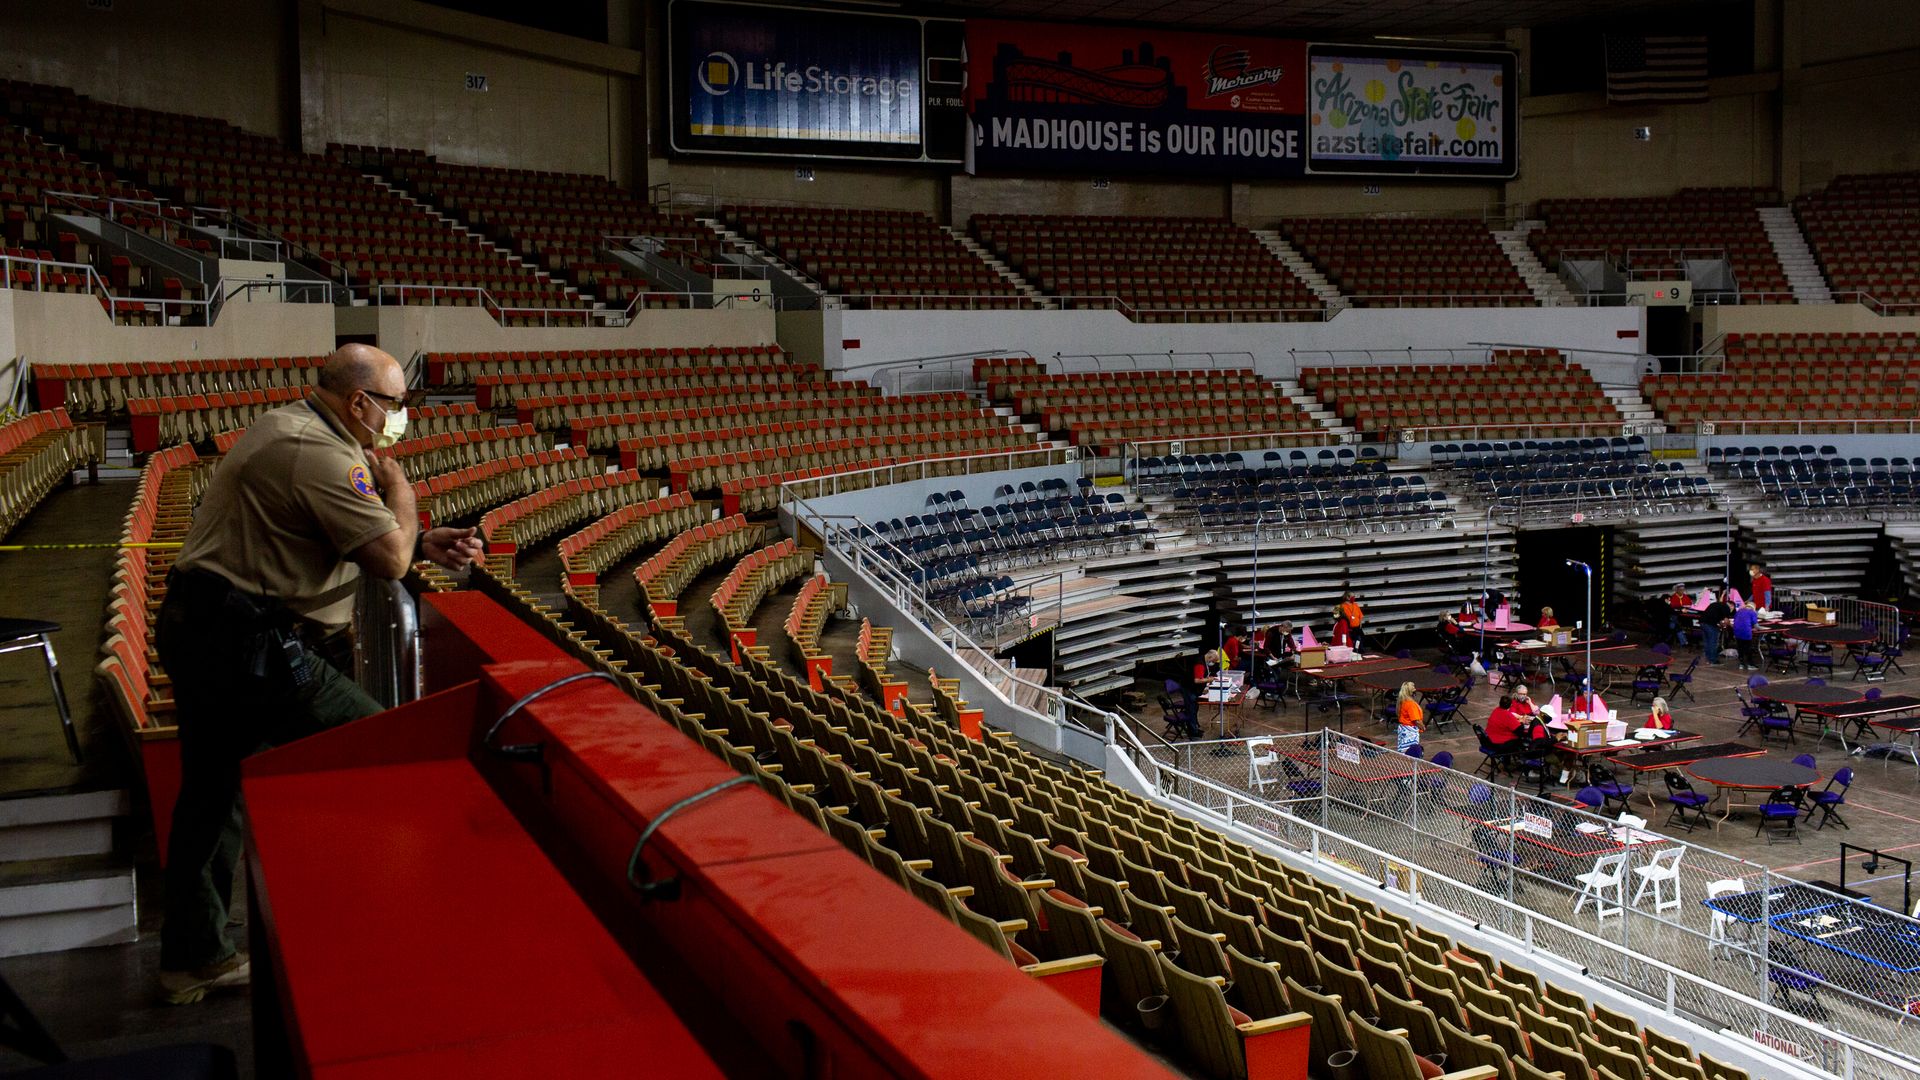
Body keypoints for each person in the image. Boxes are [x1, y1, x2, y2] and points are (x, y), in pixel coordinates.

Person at [155, 345, 486, 1005]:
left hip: (212, 629)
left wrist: (421, 537)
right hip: (247, 643)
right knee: (384, 751)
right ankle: (381, 931)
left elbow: (331, 529)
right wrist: (404, 500)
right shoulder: (322, 453)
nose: (401, 419)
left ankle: (195, 957)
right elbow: (389, 562)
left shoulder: (296, 428)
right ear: (359, 402)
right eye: (394, 405)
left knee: (213, 794)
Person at [1700, 589, 1732, 665]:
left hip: (1702, 622)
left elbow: (1719, 619)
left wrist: (1721, 625)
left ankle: (1708, 659)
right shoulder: (1726, 608)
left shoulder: (1716, 604)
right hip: (1710, 624)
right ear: (1731, 606)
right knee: (1713, 642)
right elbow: (1726, 621)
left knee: (1707, 642)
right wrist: (1732, 626)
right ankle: (1713, 660)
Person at [1395, 681, 1424, 753]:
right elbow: (1416, 720)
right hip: (1410, 732)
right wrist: (1422, 727)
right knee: (1411, 752)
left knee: (1403, 752)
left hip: (1403, 730)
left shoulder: (1403, 701)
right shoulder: (1411, 704)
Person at [1732, 599, 1760, 670]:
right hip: (1746, 632)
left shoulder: (1739, 611)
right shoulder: (1752, 612)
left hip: (1737, 631)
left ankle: (1741, 664)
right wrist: (1762, 628)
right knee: (1748, 648)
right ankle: (1750, 664)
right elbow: (1756, 626)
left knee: (1740, 648)